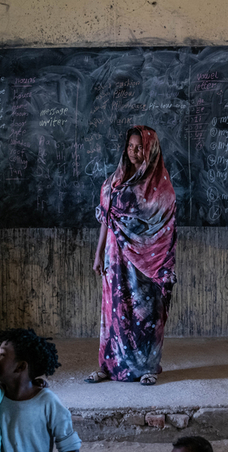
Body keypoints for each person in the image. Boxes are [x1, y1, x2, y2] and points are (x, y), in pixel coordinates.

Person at [87, 125, 177, 386]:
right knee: (114, 311)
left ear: (151, 150)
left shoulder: (161, 188)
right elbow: (106, 220)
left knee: (145, 312)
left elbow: (164, 228)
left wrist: (145, 249)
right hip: (115, 258)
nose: (134, 152)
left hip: (147, 261)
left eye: (140, 148)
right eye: (130, 146)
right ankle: (109, 366)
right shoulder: (113, 182)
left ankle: (148, 367)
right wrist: (98, 254)